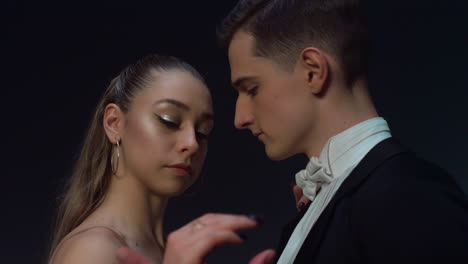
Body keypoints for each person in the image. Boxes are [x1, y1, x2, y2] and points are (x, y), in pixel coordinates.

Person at [119, 0, 468, 263]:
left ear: (313, 71)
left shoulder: (405, 197)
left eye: (250, 88)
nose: (239, 117)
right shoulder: (333, 201)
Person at [47, 54, 262, 264]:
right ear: (114, 123)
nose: (192, 143)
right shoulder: (94, 250)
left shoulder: (164, 251)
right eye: (169, 120)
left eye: (203, 131)